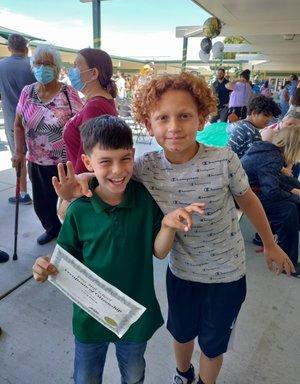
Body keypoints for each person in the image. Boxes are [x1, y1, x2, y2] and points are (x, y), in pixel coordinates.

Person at [54, 72, 294, 384]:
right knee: (180, 334)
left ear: (202, 119)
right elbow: (109, 176)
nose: (174, 127)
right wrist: (84, 182)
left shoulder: (224, 160)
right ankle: (183, 374)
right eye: (163, 118)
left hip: (227, 274)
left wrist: (270, 243)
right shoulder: (145, 167)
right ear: (149, 123)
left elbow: (247, 201)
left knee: (212, 343)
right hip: (182, 272)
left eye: (184, 116)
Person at [32, 116, 205, 384]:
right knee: (85, 378)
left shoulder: (144, 200)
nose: (117, 170)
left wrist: (168, 227)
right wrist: (44, 267)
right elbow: (62, 261)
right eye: (105, 162)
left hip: (134, 317)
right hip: (90, 319)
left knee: (134, 375)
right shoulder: (79, 211)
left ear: (133, 154)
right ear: (88, 163)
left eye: (125, 159)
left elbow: (159, 252)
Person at [12, 44, 83, 245]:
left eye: (48, 64)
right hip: (35, 160)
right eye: (39, 63)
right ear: (33, 66)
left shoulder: (68, 93)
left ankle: (70, 237)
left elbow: (83, 125)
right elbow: (18, 125)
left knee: (67, 203)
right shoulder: (27, 92)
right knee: (42, 205)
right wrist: (19, 152)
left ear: (57, 68)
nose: (43, 68)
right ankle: (52, 230)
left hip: (63, 162)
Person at [241, 127, 300, 276]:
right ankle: (288, 261)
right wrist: (294, 194)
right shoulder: (273, 157)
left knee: (292, 203)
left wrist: (295, 187)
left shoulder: (266, 149)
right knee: (288, 210)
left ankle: (264, 238)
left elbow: (274, 178)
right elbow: (272, 191)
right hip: (244, 196)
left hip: (250, 190)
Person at [64, 48, 118, 174]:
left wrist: (77, 188)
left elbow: (87, 160)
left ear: (93, 73)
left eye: (76, 66)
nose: (71, 71)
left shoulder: (95, 107)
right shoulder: (97, 102)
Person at [0, 34, 35, 204]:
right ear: (26, 48)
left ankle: (23, 193)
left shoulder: (1, 66)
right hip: (35, 120)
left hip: (13, 120)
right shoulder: (33, 65)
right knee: (38, 155)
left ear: (9, 48)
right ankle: (43, 190)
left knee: (18, 156)